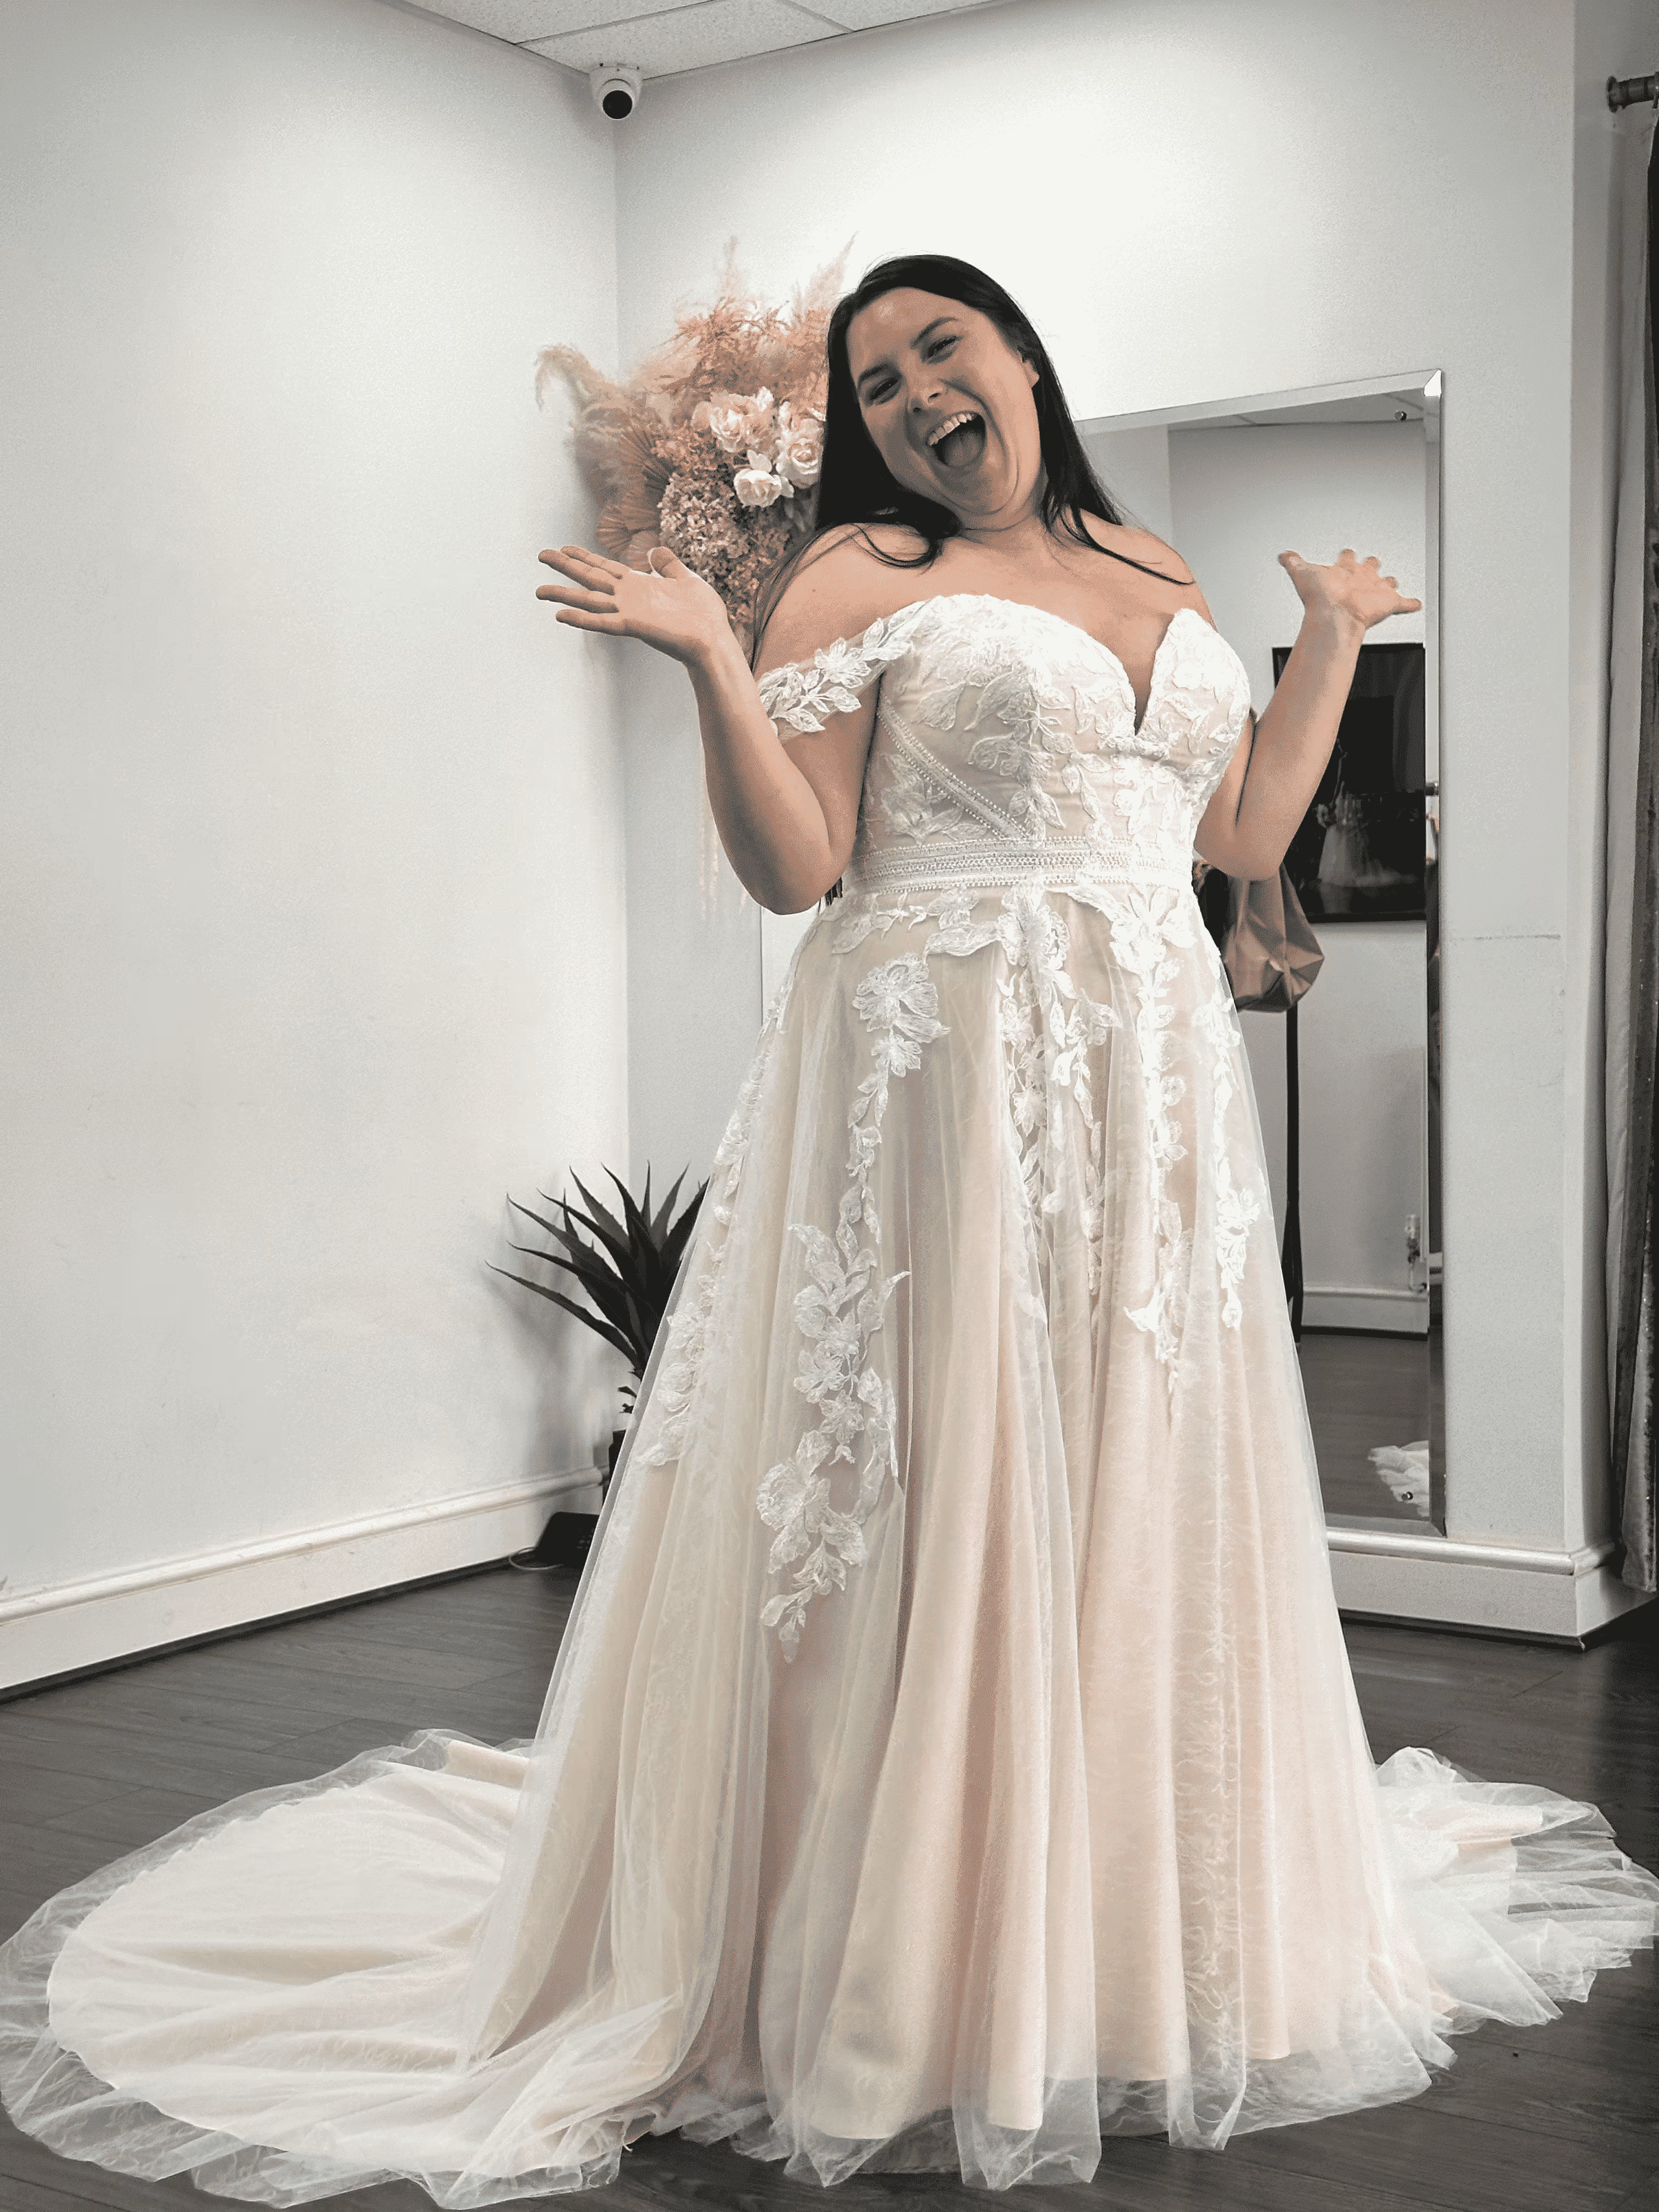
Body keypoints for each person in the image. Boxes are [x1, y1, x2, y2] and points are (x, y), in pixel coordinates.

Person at [2, 254, 1655, 2207]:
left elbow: (1235, 840)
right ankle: (912, 1957)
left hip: (1153, 1080)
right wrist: (716, 662)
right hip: (945, 1067)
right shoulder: (856, 573)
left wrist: (1332, 637)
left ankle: (1121, 1929)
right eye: (875, 383)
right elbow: (800, 865)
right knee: (948, 1472)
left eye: (939, 348)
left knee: (1133, 1465)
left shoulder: (1151, 564)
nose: (915, 395)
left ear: (1018, 353)